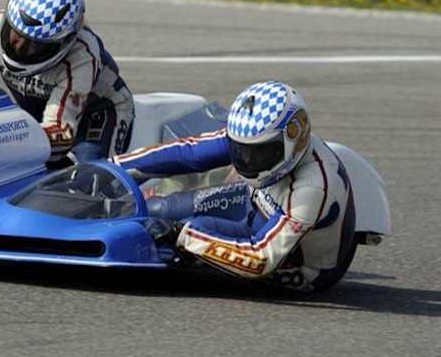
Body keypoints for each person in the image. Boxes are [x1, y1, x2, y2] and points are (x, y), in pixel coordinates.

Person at [113, 81, 355, 292]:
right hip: (255, 205)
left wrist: (181, 235)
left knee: (190, 230)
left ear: (293, 139)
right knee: (160, 208)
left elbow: (262, 259)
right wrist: (116, 169)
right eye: (241, 149)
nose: (246, 160)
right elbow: (187, 152)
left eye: (259, 153)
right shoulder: (259, 139)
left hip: (296, 267)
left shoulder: (312, 188)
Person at [0, 0, 134, 165]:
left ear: (63, 43)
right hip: (39, 111)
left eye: (35, 44)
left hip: (98, 111)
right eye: (15, 32)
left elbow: (61, 136)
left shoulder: (80, 57)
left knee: (88, 178)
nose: (19, 47)